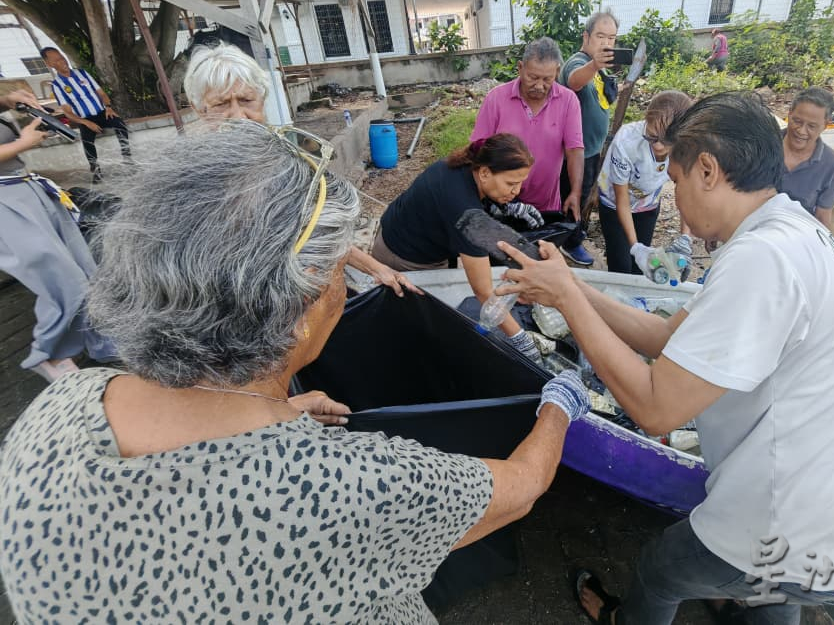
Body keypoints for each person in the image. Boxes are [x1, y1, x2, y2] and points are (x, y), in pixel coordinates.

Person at [0, 120, 591, 623]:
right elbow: (520, 488)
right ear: (300, 304)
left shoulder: (60, 406)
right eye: (338, 268)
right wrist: (558, 404)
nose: (343, 284)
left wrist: (279, 411)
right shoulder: (346, 485)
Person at [496, 92, 834, 625]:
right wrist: (571, 285)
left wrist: (568, 301)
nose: (675, 195)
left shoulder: (762, 259)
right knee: (772, 596)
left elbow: (655, 409)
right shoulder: (790, 231)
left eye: (676, 179)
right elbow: (668, 337)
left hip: (795, 523)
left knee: (662, 568)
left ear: (708, 170)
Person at [183, 42, 418, 296]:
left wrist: (376, 268)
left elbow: (315, 227)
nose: (239, 116)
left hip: (306, 289)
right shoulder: (190, 184)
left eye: (246, 100)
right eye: (221, 104)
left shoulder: (286, 159)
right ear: (199, 110)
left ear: (262, 100)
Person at [373, 134, 543, 360]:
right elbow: (483, 291)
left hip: (396, 230)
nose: (517, 191)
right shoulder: (464, 210)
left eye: (520, 183)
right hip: (405, 259)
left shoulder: (464, 165)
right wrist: (520, 339)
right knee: (418, 327)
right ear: (485, 173)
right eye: (511, 184)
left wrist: (505, 206)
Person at [0, 89, 117, 381]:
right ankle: (49, 353)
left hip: (28, 188)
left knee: (84, 267)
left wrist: (8, 101)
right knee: (59, 278)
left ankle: (102, 341)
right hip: (6, 201)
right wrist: (22, 143)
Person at [471, 37, 584, 238]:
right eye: (533, 77)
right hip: (500, 202)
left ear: (557, 72)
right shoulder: (496, 99)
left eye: (547, 79)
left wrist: (575, 192)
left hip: (546, 203)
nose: (539, 86)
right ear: (520, 68)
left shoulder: (568, 101)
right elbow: (477, 151)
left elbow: (574, 150)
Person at [597, 90, 693, 275]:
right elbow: (622, 198)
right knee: (621, 267)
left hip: (647, 204)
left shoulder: (688, 146)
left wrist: (685, 238)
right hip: (615, 204)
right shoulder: (626, 141)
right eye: (652, 137)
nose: (658, 146)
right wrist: (635, 247)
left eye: (666, 140)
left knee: (642, 268)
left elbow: (685, 191)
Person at [558, 11, 621, 266]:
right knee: (574, 194)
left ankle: (574, 233)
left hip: (593, 149)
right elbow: (574, 81)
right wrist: (594, 65)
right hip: (576, 153)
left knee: (585, 195)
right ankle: (569, 242)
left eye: (612, 38)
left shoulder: (599, 68)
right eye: (600, 36)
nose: (607, 43)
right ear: (586, 36)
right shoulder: (578, 62)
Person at [42, 47, 131, 183]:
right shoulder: (57, 85)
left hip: (102, 113)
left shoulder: (82, 73)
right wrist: (87, 123)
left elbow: (102, 93)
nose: (62, 61)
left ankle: (127, 158)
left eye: (62, 57)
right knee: (87, 142)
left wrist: (108, 107)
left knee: (120, 124)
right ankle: (96, 171)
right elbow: (67, 112)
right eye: (57, 60)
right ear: (49, 64)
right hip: (84, 119)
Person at [780, 87, 834, 228]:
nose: (801, 131)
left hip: (796, 234)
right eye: (797, 121)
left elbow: (823, 217)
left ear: (825, 125)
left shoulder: (833, 164)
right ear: (789, 114)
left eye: (811, 126)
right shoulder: (764, 145)